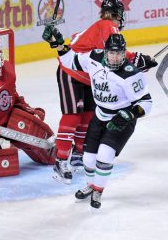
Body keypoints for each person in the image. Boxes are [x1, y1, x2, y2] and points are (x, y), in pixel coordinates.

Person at [42, 0, 157, 184]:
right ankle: (60, 161)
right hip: (71, 72)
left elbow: (112, 60)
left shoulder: (102, 26)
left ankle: (79, 154)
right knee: (72, 116)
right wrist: (138, 59)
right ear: (119, 13)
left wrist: (138, 63)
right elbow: (115, 52)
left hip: (87, 75)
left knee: (88, 116)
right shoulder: (108, 26)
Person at [50, 33, 152, 209]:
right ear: (105, 52)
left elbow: (146, 102)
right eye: (112, 53)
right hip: (100, 116)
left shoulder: (131, 74)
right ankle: (90, 185)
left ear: (123, 53)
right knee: (88, 159)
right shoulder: (94, 57)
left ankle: (98, 190)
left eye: (120, 53)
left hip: (121, 119)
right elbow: (70, 61)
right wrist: (60, 46)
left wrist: (129, 114)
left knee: (105, 155)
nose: (115, 57)